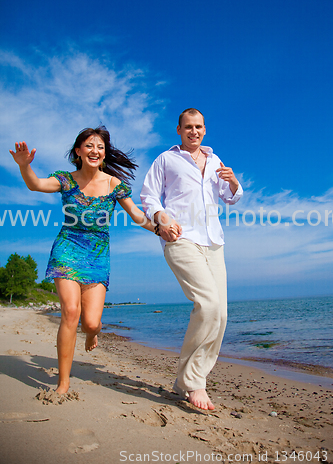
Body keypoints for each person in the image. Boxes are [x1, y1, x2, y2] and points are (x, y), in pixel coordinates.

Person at [10, 125, 180, 394]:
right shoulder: (65, 179)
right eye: (89, 146)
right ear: (78, 151)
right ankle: (63, 382)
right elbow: (36, 185)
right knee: (71, 312)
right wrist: (24, 166)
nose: (95, 151)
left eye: (100, 147)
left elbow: (136, 215)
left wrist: (159, 228)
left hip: (98, 255)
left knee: (91, 322)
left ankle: (92, 333)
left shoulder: (114, 185)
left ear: (104, 153)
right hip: (67, 249)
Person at [140, 108, 243, 410]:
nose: (193, 132)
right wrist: (160, 217)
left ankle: (184, 379)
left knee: (220, 315)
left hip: (214, 242)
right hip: (180, 237)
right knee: (208, 305)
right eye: (188, 127)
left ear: (205, 129)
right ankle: (195, 382)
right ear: (179, 130)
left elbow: (230, 197)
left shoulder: (214, 161)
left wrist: (234, 183)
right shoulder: (166, 160)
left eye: (198, 127)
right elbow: (149, 196)